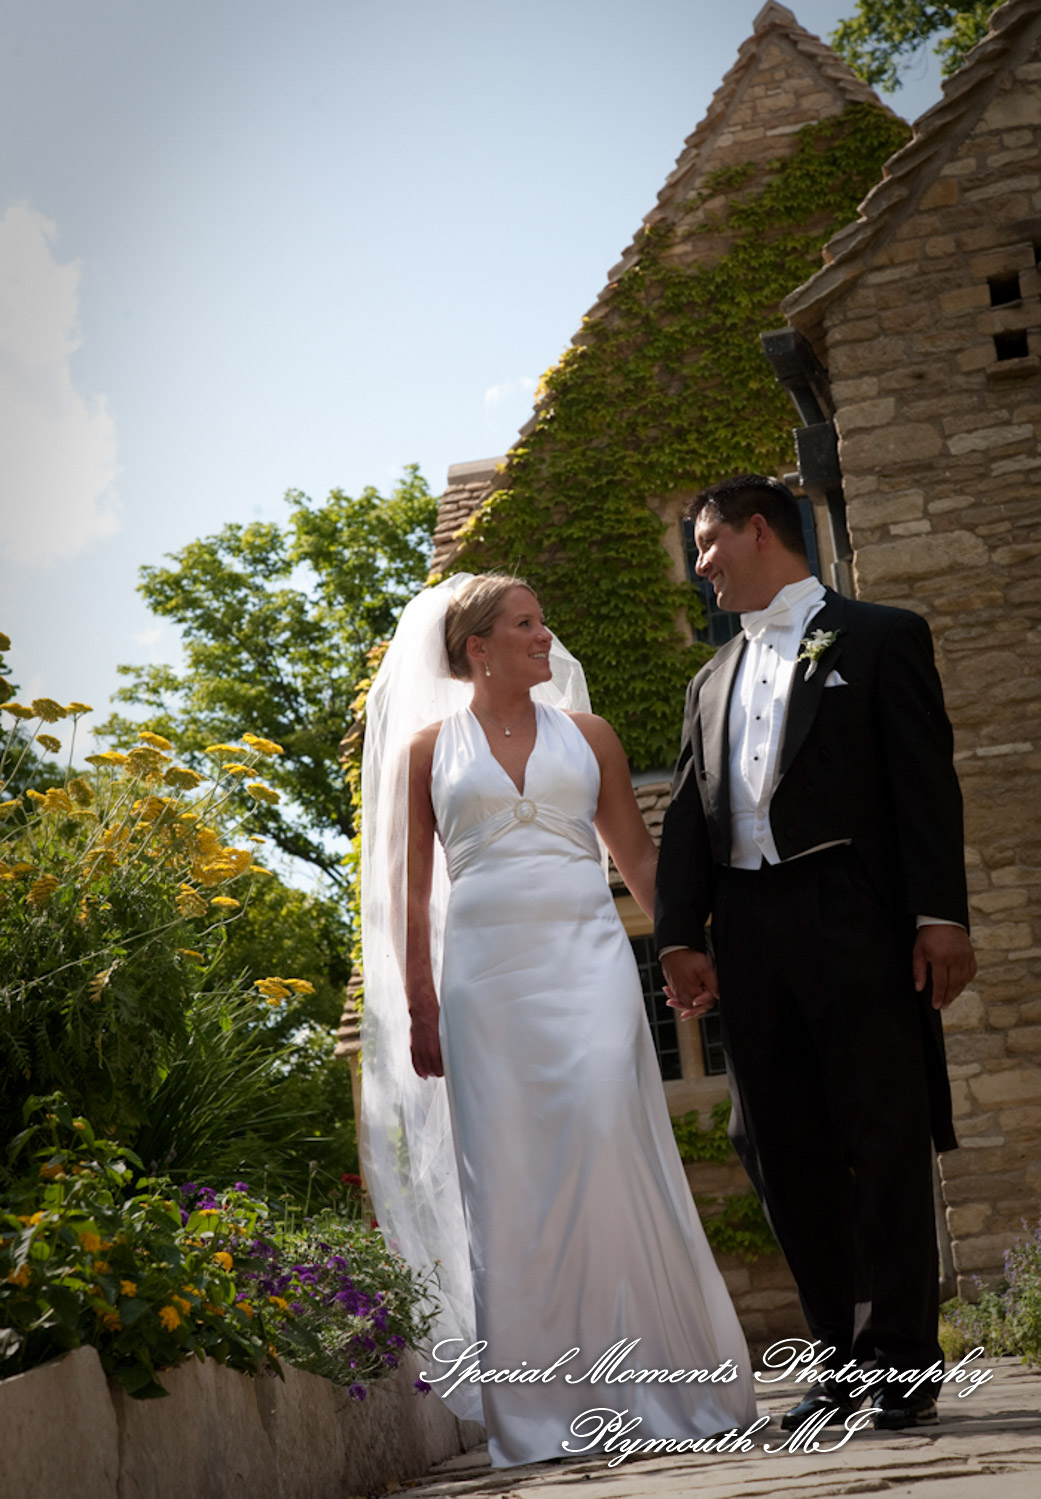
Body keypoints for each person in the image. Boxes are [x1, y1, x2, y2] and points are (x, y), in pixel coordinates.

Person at [361, 571, 757, 1469]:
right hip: (484, 986)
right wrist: (420, 1005)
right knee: (510, 1178)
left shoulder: (590, 736)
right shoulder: (425, 750)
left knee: (607, 1140)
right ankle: (541, 1412)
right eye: (526, 624)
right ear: (478, 647)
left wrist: (686, 946)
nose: (546, 637)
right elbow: (406, 893)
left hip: (587, 965)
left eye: (543, 620)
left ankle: (660, 1383)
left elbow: (639, 857)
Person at [655, 474, 976, 1433]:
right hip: (749, 927)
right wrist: (678, 933)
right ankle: (836, 1362)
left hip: (854, 912)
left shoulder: (879, 635)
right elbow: (683, 815)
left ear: (760, 531)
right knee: (775, 1142)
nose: (700, 565)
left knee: (883, 1131)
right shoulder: (705, 679)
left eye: (707, 543)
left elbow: (925, 783)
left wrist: (938, 913)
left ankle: (905, 1367)